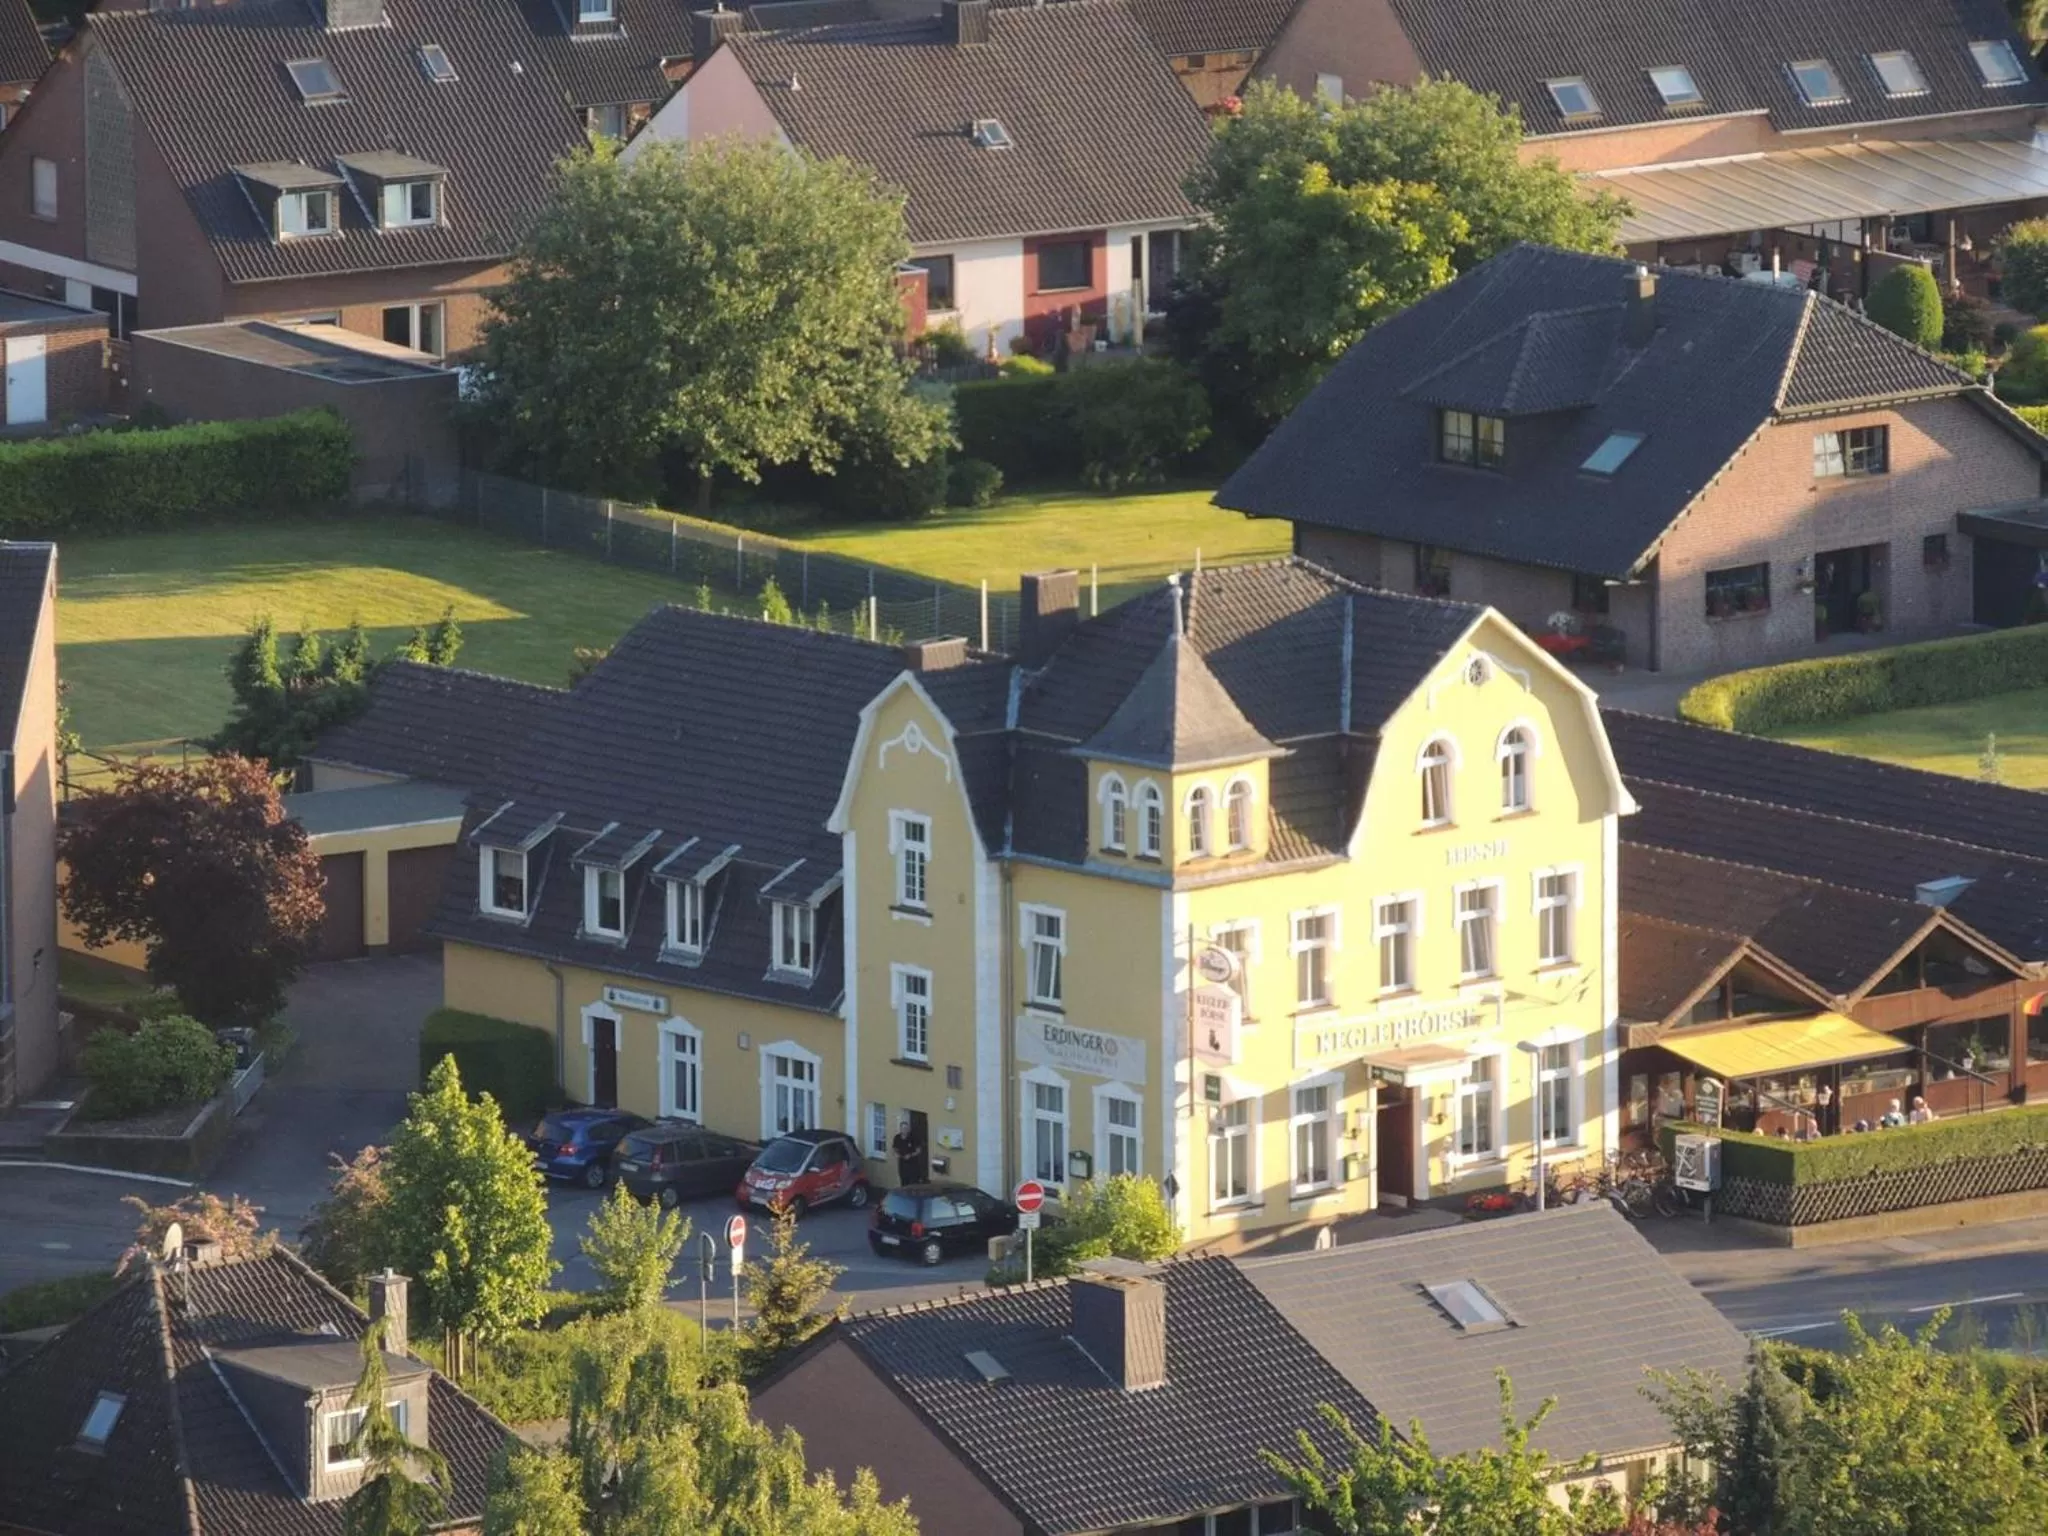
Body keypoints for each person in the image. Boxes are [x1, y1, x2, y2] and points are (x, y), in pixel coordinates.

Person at [891, 1117, 926, 1185]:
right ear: (900, 1129)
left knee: (913, 1183)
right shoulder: (897, 1138)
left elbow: (919, 1151)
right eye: (903, 1128)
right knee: (904, 1182)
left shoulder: (913, 1137)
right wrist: (896, 1154)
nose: (905, 1130)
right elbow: (894, 1148)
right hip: (902, 1164)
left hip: (913, 1165)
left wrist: (910, 1155)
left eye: (906, 1128)